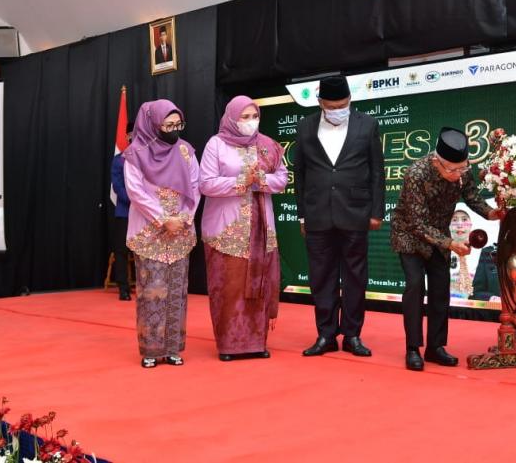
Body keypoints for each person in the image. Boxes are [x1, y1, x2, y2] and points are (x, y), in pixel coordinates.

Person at [391, 127, 504, 371]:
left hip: (440, 235)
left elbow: (473, 197)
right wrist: (450, 243)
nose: (458, 174)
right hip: (409, 234)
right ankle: (413, 348)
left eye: (462, 168)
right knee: (415, 286)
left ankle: (435, 347)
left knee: (441, 289)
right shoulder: (416, 174)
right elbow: (418, 224)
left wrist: (491, 213)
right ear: (436, 161)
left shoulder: (462, 170)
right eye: (451, 170)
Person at [293, 75, 385, 357]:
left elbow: (377, 171)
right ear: (320, 103)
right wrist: (302, 216)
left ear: (350, 101)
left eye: (342, 104)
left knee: (356, 276)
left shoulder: (367, 125)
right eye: (331, 106)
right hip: (318, 213)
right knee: (322, 277)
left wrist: (376, 211)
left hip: (356, 212)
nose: (337, 109)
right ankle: (326, 334)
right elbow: (301, 173)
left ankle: (353, 335)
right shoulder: (305, 126)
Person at [200, 96, 288, 361]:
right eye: (245, 117)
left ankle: (257, 343)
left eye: (254, 116)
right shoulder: (216, 144)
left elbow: (282, 179)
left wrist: (260, 180)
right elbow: (206, 183)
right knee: (229, 287)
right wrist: (240, 181)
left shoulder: (268, 145)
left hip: (262, 229)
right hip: (226, 229)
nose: (251, 122)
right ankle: (229, 345)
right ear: (231, 117)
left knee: (260, 285)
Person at [124, 100, 200, 369]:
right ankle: (151, 350)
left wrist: (184, 218)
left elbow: (195, 186)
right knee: (152, 292)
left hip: (180, 231)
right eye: (168, 125)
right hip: (150, 233)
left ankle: (173, 348)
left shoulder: (185, 150)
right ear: (154, 124)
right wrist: (162, 220)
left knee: (178, 292)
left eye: (177, 124)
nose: (174, 129)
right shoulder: (135, 154)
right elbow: (135, 192)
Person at [110, 122, 134, 301]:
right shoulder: (119, 160)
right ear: (127, 136)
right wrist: (134, 200)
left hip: (145, 213)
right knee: (121, 251)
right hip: (125, 212)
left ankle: (145, 285)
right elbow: (117, 185)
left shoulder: (149, 158)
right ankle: (123, 288)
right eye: (133, 134)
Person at [448, 209, 474, 298]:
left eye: (464, 220)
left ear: (471, 224)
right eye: (454, 220)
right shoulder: (439, 252)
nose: (459, 225)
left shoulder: (482, 253)